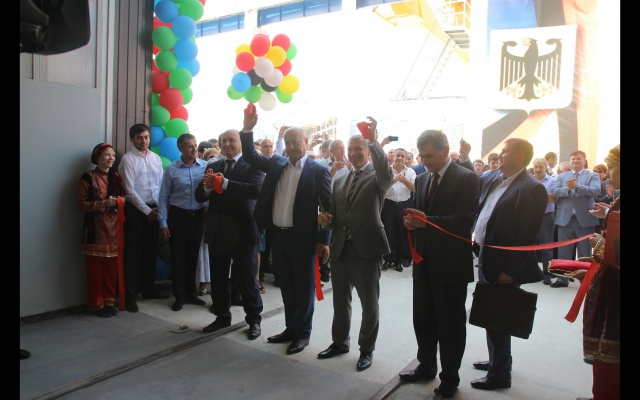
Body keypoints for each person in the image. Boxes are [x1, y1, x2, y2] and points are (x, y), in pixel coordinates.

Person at [240, 104, 332, 355]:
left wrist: (324, 240)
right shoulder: (276, 164)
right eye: (288, 142)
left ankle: (303, 334)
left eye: (296, 142)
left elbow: (328, 209)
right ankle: (291, 329)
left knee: (304, 290)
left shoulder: (318, 171)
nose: (291, 147)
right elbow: (250, 156)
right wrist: (247, 130)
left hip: (303, 240)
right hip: (278, 237)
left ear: (306, 142)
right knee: (287, 289)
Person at [399, 130, 479, 398]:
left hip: (451, 266)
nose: (425, 161)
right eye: (422, 156)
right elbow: (420, 215)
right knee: (422, 320)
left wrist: (426, 222)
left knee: (450, 325)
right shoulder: (421, 178)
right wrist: (412, 223)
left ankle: (450, 378)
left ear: (446, 151)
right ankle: (426, 365)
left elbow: (465, 220)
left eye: (430, 156)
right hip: (423, 262)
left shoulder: (466, 178)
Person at [316, 116, 394, 372]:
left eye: (359, 149)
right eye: (350, 150)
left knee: (369, 304)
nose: (353, 153)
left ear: (368, 152)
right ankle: (340, 342)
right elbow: (334, 215)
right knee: (340, 301)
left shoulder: (378, 177)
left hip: (367, 250)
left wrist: (373, 141)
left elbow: (386, 172)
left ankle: (366, 349)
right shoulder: (340, 180)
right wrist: (325, 220)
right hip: (341, 250)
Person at [470, 138, 547, 392]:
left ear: (519, 157)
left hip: (504, 264)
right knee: (490, 311)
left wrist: (510, 270)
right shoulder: (494, 179)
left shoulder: (532, 189)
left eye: (505, 152)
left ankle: (499, 374)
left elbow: (527, 235)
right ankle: (498, 360)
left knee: (498, 314)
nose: (499, 155)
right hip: (486, 255)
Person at [196, 129, 266, 340]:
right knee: (218, 278)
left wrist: (223, 183)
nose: (227, 144)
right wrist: (208, 187)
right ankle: (221, 316)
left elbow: (254, 190)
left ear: (240, 142)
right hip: (218, 230)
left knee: (247, 279)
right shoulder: (214, 165)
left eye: (232, 140)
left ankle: (254, 320)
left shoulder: (253, 164)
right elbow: (200, 195)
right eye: (224, 141)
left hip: (243, 230)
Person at [573, 144, 620, 400]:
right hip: (610, 282)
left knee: (610, 352)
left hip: (616, 291)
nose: (608, 173)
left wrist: (599, 245)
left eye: (611, 167)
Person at [119, 123, 168, 313]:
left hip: (155, 208)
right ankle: (130, 296)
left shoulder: (155, 158)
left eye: (146, 137)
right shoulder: (128, 160)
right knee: (133, 254)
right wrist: (147, 212)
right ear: (132, 139)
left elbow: (161, 184)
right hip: (136, 211)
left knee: (150, 251)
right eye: (139, 138)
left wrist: (158, 209)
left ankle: (148, 289)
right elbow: (129, 191)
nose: (144, 141)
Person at [158, 133, 208, 311]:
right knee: (178, 257)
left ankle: (191, 293)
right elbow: (163, 197)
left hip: (198, 216)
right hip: (178, 216)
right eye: (189, 146)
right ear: (180, 148)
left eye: (195, 145)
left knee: (193, 256)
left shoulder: (205, 167)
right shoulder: (171, 169)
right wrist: (163, 223)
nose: (194, 149)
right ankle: (179, 295)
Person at [77, 143, 127, 318]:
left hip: (113, 230)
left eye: (113, 155)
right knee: (95, 270)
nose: (111, 158)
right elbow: (81, 204)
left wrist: (120, 201)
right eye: (107, 154)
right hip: (96, 231)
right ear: (97, 157)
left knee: (111, 269)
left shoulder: (115, 176)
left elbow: (124, 197)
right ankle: (96, 304)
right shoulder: (88, 177)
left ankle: (109, 302)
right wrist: (103, 204)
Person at [550, 150, 601, 288]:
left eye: (578, 158)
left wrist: (577, 187)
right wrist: (567, 189)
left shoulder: (592, 175)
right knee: (564, 251)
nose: (575, 161)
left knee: (584, 252)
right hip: (565, 219)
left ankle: (586, 281)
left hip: (584, 220)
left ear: (584, 161)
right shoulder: (562, 176)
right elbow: (554, 192)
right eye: (573, 158)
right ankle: (562, 279)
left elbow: (596, 190)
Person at [382, 148, 416, 272]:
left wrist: (405, 181)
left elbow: (415, 189)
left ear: (406, 158)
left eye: (402, 156)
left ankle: (398, 261)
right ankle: (388, 259)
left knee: (402, 234)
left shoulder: (410, 172)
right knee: (388, 233)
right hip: (388, 204)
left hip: (404, 205)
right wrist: (392, 182)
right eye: (398, 155)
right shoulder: (386, 171)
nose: (400, 158)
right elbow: (380, 188)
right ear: (393, 157)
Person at [196, 147, 218, 296]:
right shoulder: (204, 173)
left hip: (218, 218)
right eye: (210, 157)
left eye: (215, 157)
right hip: (203, 217)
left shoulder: (222, 172)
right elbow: (200, 195)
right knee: (203, 251)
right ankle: (202, 282)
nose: (213, 160)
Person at [532, 157, 556, 285]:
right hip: (530, 216)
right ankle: (533, 272)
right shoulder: (529, 180)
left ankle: (547, 273)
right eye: (536, 166)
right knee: (530, 245)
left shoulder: (552, 181)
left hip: (546, 216)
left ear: (546, 167)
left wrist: (538, 191)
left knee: (546, 246)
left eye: (541, 166)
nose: (538, 169)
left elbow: (553, 199)